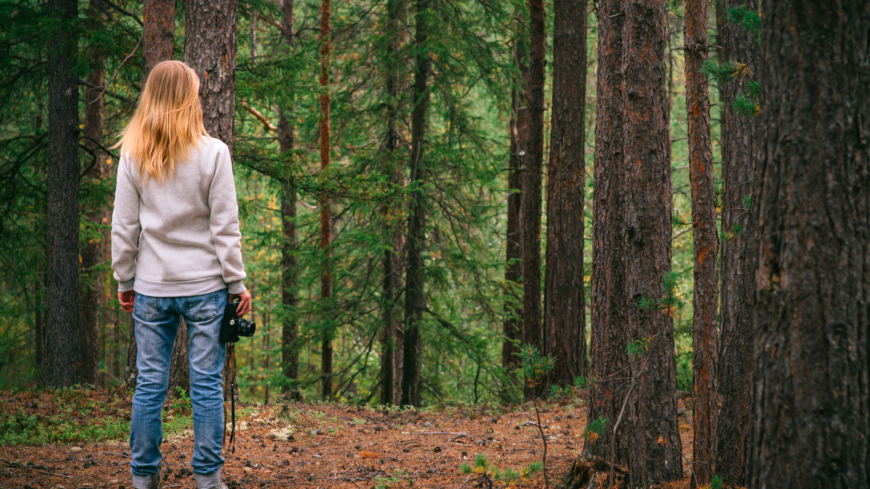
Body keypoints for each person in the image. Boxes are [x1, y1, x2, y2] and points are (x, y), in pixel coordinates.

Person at [111, 60, 252, 489]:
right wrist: (237, 282)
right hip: (207, 287)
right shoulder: (214, 153)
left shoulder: (134, 154)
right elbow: (224, 227)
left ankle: (143, 478)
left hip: (151, 288)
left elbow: (124, 225)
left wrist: (125, 279)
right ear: (190, 98)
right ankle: (208, 480)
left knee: (150, 384)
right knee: (206, 384)